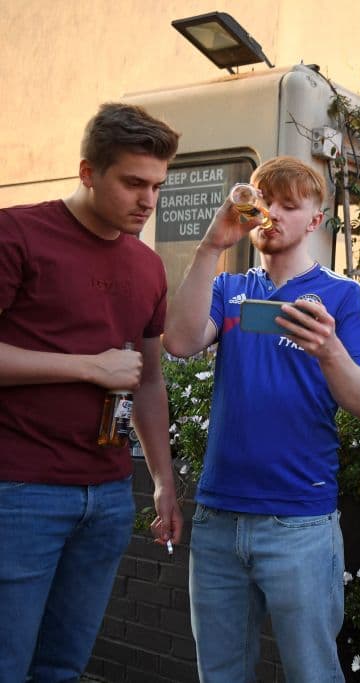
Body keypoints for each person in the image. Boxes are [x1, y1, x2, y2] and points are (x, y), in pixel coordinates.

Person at [162, 156, 360, 682]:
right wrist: (211, 246)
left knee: (312, 673)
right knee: (220, 674)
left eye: (289, 205)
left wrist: (328, 348)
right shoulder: (228, 288)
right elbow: (181, 342)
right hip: (218, 518)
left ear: (315, 221)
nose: (273, 214)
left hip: (299, 522)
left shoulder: (343, 295)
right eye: (266, 202)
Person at [0, 102, 182, 682]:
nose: (148, 200)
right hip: (19, 491)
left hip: (107, 496)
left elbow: (148, 380)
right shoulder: (16, 233)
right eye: (133, 183)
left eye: (157, 185)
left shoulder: (148, 266)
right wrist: (86, 367)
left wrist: (162, 482)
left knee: (62, 669)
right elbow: (107, 369)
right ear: (87, 172)